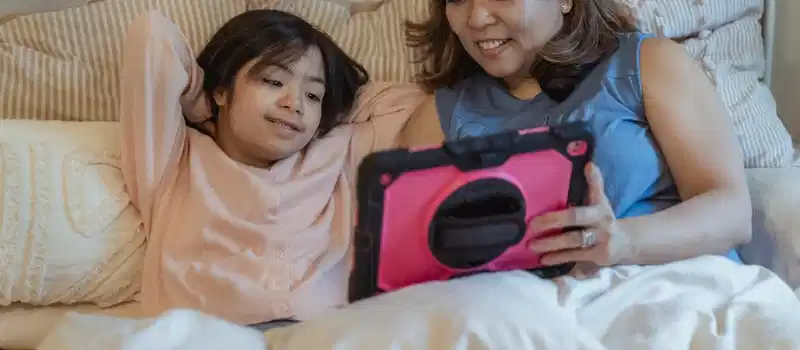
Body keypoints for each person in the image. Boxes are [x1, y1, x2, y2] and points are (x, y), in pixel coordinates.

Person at [402, 0, 752, 269]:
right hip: (521, 314)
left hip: (673, 289)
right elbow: (406, 254)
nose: (477, 19)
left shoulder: (649, 63)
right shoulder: (437, 119)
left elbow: (733, 213)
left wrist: (623, 242)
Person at [118, 10, 368, 325]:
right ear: (222, 89)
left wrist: (333, 110)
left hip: (320, 334)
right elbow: (152, 35)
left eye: (313, 95)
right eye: (274, 81)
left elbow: (399, 104)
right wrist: (203, 104)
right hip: (206, 338)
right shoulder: (173, 161)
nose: (294, 104)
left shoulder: (335, 153)